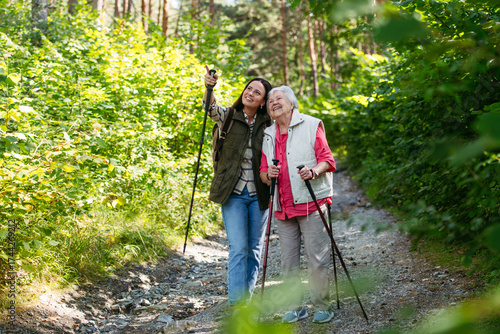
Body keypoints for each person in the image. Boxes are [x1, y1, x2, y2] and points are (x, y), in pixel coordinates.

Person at [259, 85, 336, 324]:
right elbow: (263, 173)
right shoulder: (268, 135)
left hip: (311, 202)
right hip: (283, 206)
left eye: (279, 98)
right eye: (270, 100)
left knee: (317, 260)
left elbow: (327, 160)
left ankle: (322, 306)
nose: (273, 102)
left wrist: (313, 172)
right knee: (288, 263)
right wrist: (268, 174)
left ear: (292, 103)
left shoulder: (312, 125)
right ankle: (296, 307)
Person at [202, 66, 273, 311]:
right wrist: (209, 87)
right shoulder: (229, 116)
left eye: (257, 93)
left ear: (264, 101)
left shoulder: (269, 125)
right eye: (248, 89)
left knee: (254, 250)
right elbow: (210, 108)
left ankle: (247, 304)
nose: (250, 94)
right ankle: (236, 306)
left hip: (260, 193)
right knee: (238, 248)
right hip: (233, 192)